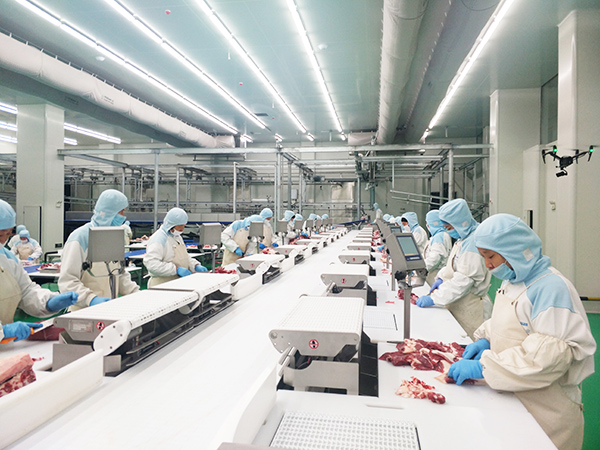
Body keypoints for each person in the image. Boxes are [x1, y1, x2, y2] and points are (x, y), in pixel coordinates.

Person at [448, 214, 596, 450]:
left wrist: (484, 367)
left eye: (491, 256)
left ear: (512, 250)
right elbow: (509, 322)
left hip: (547, 410)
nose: (487, 264)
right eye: (483, 256)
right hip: (516, 394)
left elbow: (548, 358)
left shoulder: (550, 288)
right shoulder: (514, 279)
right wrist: (487, 339)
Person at [0, 200, 78, 342]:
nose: (4, 240)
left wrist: (48, 301)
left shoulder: (8, 259)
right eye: (0, 235)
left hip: (6, 345)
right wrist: (2, 331)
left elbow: (26, 291)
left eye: (8, 234)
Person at [416, 199, 491, 338]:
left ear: (460, 223)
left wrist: (435, 298)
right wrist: (441, 278)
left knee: (466, 342)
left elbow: (463, 281)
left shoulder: (473, 242)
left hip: (470, 306)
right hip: (459, 302)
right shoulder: (463, 239)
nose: (447, 231)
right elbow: (453, 264)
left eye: (449, 227)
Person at [58, 189, 140, 310]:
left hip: (108, 307)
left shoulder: (112, 236)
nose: (123, 216)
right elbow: (67, 281)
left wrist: (136, 293)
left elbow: (119, 274)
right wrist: (90, 299)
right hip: (83, 310)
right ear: (109, 212)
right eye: (121, 211)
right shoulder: (81, 237)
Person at [143, 208, 208, 287]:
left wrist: (195, 265)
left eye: (184, 226)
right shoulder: (159, 238)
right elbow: (152, 264)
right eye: (180, 226)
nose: (182, 229)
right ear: (171, 225)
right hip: (162, 284)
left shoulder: (176, 236)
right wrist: (176, 269)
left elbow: (184, 257)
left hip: (176, 282)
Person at [423, 210, 452, 285]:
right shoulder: (443, 234)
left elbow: (434, 258)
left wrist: (420, 269)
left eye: (428, 223)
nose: (427, 225)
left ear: (433, 223)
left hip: (435, 274)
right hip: (439, 272)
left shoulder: (439, 237)